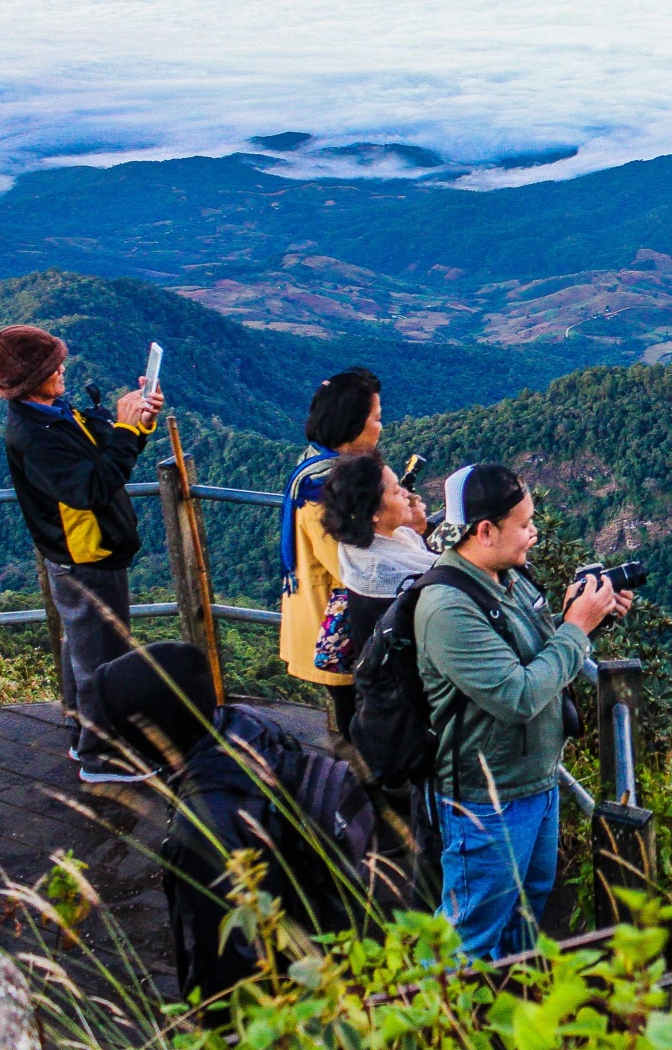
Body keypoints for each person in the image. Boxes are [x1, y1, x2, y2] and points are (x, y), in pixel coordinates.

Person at [417, 464, 629, 960]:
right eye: (526, 523)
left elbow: (533, 652)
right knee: (465, 935)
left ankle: (504, 1014)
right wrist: (576, 629)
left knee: (523, 918)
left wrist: (586, 618)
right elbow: (519, 696)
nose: (535, 532)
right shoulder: (448, 606)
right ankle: (428, 1023)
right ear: (485, 530)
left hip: (535, 781)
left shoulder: (506, 577)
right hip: (486, 799)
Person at [90, 640, 372, 1007]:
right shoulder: (247, 726)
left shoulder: (205, 832)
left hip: (288, 1001)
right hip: (330, 927)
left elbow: (229, 973)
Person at [0, 324, 163, 784]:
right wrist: (122, 427)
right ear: (28, 379)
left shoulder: (53, 413)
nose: (62, 368)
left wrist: (136, 423)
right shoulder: (35, 434)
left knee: (82, 647)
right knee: (102, 656)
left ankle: (79, 732)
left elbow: (105, 457)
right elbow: (93, 488)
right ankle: (103, 758)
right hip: (84, 556)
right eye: (51, 365)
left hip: (85, 553)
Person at [279, 368, 382, 737]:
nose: (380, 427)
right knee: (354, 725)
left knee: (352, 717)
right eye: (376, 418)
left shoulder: (316, 466)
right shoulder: (323, 488)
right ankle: (357, 786)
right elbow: (348, 565)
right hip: (337, 626)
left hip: (328, 618)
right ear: (350, 425)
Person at [316, 451, 436, 688]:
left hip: (380, 692)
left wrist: (419, 527)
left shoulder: (359, 547)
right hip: (401, 700)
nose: (406, 493)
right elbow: (443, 577)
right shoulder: (387, 575)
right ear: (374, 514)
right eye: (395, 491)